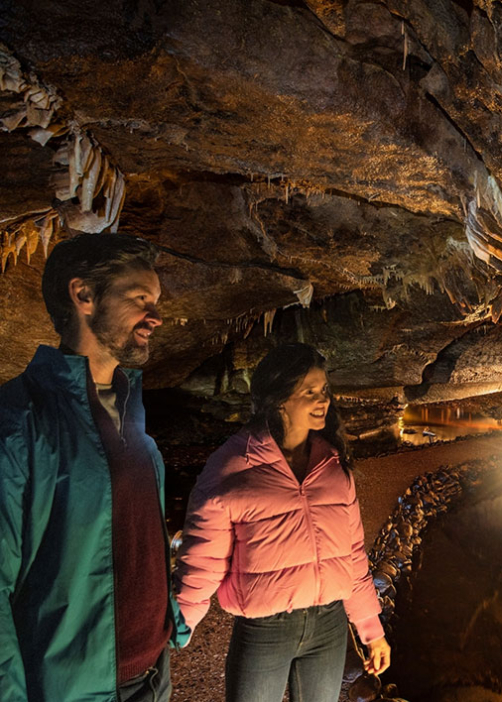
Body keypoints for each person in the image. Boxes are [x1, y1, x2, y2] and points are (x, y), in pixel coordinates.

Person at [0, 232, 190, 702]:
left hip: (153, 673)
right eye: (140, 298)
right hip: (73, 689)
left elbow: (138, 533)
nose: (157, 316)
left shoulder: (131, 413)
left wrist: (172, 620)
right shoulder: (19, 422)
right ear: (83, 295)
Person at [174, 343, 390, 702]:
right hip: (264, 631)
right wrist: (179, 624)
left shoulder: (333, 466)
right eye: (310, 392)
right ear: (278, 398)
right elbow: (203, 561)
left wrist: (371, 628)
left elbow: (352, 556)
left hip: (329, 627)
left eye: (324, 391)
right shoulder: (232, 468)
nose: (323, 400)